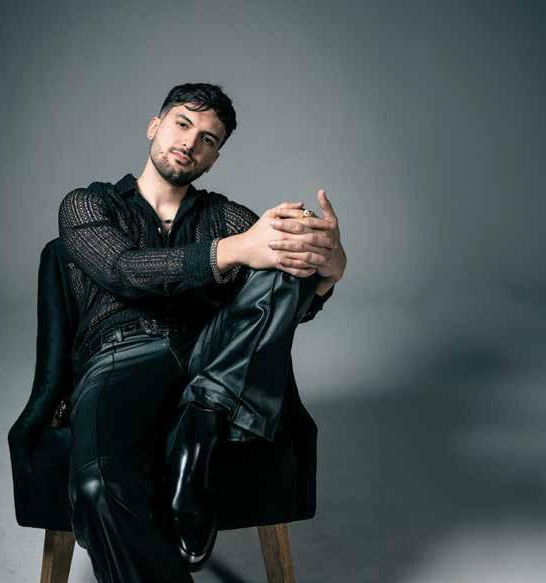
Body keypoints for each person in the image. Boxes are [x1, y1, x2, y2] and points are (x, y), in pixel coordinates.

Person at [57, 83, 346, 582]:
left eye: (208, 139)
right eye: (183, 124)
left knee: (283, 247)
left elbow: (277, 307)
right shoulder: (89, 205)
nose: (191, 142)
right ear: (155, 126)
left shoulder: (228, 217)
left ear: (214, 158)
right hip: (123, 355)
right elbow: (123, 270)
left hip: (210, 356)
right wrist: (232, 251)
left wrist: (327, 271)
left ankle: (199, 426)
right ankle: (202, 422)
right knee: (96, 489)